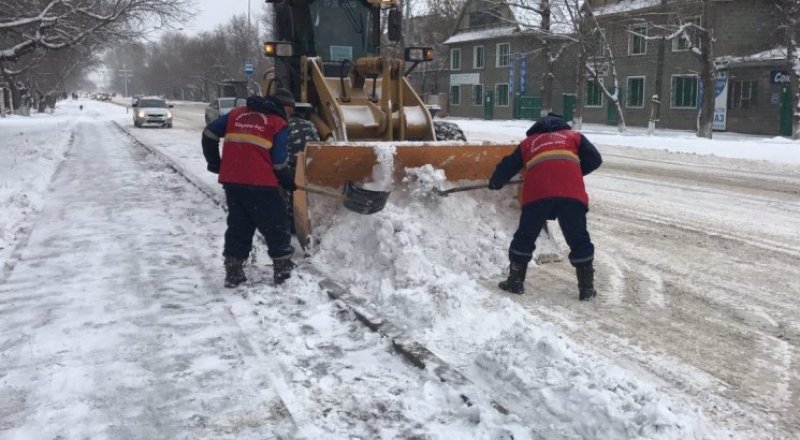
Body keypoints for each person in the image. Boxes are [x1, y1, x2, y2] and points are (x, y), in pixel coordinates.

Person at [488, 113, 602, 300]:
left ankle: (515, 282)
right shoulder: (574, 136)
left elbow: (509, 165)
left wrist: (496, 181)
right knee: (578, 238)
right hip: (570, 194)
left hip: (538, 194)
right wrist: (572, 172)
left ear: (536, 128)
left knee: (525, 236)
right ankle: (587, 288)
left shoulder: (529, 143)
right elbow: (595, 159)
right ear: (562, 126)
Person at [202, 88, 298, 288]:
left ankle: (233, 271)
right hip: (261, 183)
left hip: (233, 182)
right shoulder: (277, 123)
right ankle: (283, 268)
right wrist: (288, 181)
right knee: (276, 224)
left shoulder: (237, 114)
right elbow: (279, 162)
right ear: (284, 106)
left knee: (239, 224)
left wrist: (214, 162)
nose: (290, 115)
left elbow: (209, 132)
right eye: (290, 110)